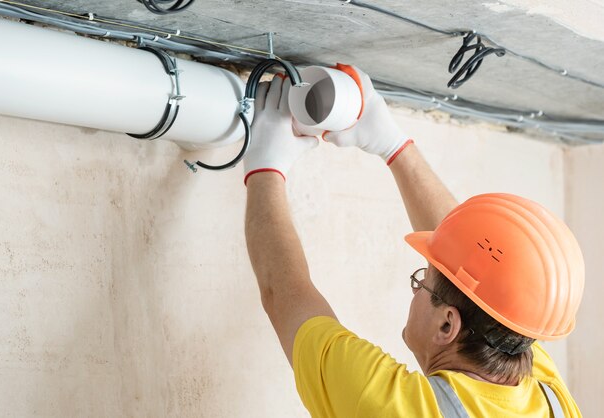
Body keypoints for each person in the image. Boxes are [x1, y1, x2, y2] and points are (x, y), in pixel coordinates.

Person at [242, 68, 584, 417]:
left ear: (447, 325)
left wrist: (264, 167)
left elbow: (283, 292)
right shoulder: (545, 393)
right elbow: (475, 258)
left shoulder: (396, 407)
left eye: (421, 280)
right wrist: (392, 145)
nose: (416, 287)